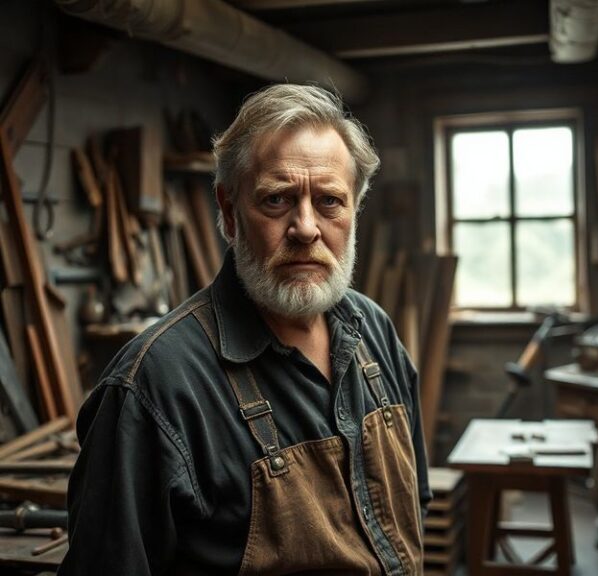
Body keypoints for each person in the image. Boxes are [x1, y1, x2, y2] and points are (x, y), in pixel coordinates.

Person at [59, 84, 431, 575]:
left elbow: (410, 511)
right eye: (276, 199)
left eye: (329, 201)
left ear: (354, 211)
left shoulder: (374, 332)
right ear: (231, 212)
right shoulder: (154, 386)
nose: (306, 227)